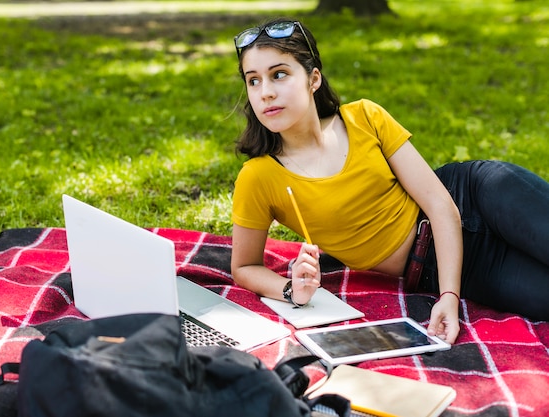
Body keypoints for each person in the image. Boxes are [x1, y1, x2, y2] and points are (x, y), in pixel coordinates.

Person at [229, 18, 549, 344]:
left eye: (279, 74)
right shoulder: (259, 177)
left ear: (313, 79)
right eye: (253, 81)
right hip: (446, 268)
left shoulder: (365, 117)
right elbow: (244, 266)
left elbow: (441, 205)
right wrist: (290, 290)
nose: (265, 92)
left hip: (477, 195)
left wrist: (449, 296)